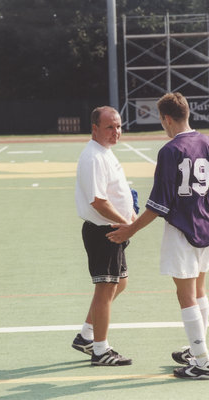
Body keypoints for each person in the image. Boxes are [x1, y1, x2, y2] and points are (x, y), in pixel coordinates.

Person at [107, 92, 209, 379]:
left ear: (166, 119)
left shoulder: (169, 151)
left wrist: (130, 230)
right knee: (199, 290)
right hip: (206, 228)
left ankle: (201, 362)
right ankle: (196, 348)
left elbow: (157, 205)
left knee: (185, 295)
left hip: (181, 229)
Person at [72, 106, 137, 366]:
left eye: (119, 126)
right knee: (105, 288)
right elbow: (98, 201)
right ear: (95, 128)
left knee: (118, 284)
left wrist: (129, 215)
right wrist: (127, 223)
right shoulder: (93, 157)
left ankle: (86, 335)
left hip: (113, 230)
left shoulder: (104, 152)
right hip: (104, 232)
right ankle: (100, 350)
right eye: (110, 127)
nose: (116, 132)